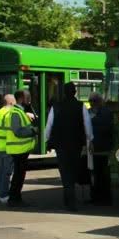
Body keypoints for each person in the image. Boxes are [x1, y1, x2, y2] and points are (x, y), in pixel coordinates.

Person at [45, 82, 93, 211]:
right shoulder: (80, 106)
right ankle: (70, 199)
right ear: (75, 92)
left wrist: (47, 140)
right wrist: (90, 139)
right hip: (76, 144)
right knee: (73, 170)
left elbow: (49, 125)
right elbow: (87, 125)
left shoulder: (56, 107)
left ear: (64, 93)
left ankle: (68, 198)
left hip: (60, 144)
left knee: (64, 170)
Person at [0, 94, 36, 207]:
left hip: (0, 145)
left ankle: (1, 194)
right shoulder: (9, 113)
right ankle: (5, 195)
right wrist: (27, 115)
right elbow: (13, 125)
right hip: (8, 146)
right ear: (12, 103)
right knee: (7, 173)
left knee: (2, 172)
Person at [6, 89, 39, 206]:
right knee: (18, 176)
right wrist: (33, 131)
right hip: (18, 150)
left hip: (21, 150)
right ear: (20, 98)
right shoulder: (16, 112)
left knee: (19, 175)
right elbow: (17, 131)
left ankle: (16, 198)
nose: (29, 99)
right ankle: (14, 199)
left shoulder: (21, 111)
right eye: (27, 97)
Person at [87, 92, 114, 206]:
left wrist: (91, 121)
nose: (91, 104)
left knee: (104, 175)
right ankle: (95, 196)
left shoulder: (106, 112)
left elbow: (105, 126)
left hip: (104, 148)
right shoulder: (89, 112)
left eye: (93, 101)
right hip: (92, 149)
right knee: (93, 174)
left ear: (99, 101)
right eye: (90, 101)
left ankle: (105, 198)